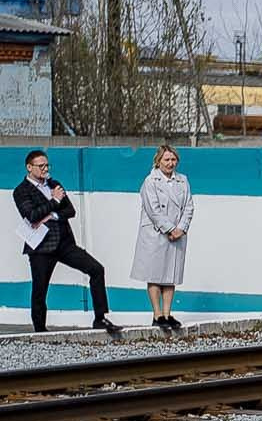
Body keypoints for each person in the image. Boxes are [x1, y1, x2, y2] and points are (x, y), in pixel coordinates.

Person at [14, 150, 119, 336]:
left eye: (47, 165)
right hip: (41, 246)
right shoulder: (21, 191)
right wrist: (54, 200)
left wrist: (52, 215)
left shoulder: (54, 184)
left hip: (65, 243)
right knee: (40, 289)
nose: (45, 169)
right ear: (29, 167)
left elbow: (70, 210)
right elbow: (32, 215)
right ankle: (40, 330)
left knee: (96, 269)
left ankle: (100, 318)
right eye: (41, 166)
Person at [132, 143, 195, 332]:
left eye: (173, 159)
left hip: (177, 234)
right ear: (158, 161)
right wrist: (169, 229)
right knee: (154, 274)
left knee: (170, 275)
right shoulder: (150, 181)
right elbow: (153, 210)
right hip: (155, 233)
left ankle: (168, 314)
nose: (170, 163)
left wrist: (181, 228)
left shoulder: (183, 180)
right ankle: (157, 314)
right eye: (166, 159)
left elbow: (189, 206)